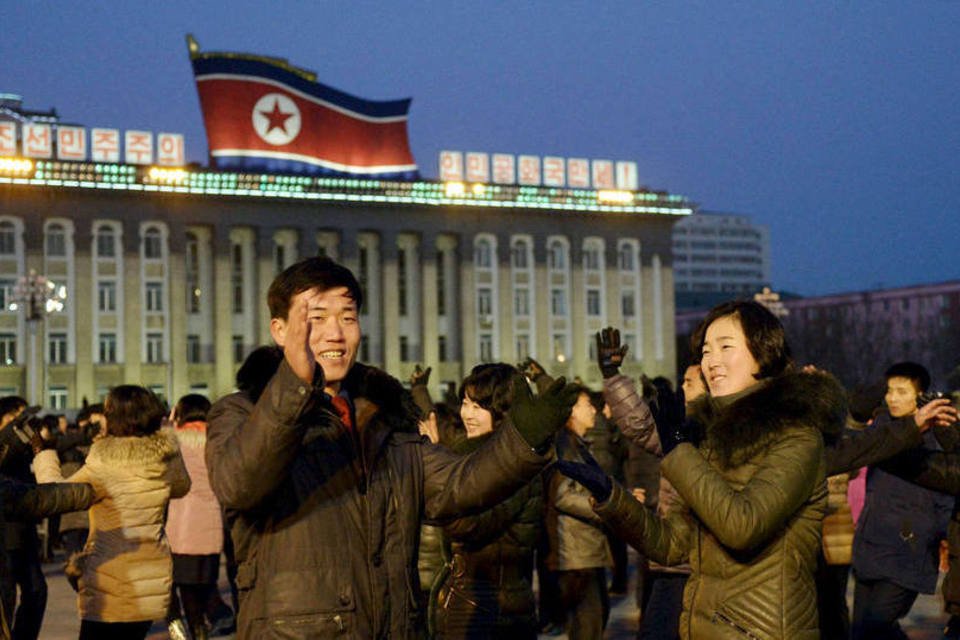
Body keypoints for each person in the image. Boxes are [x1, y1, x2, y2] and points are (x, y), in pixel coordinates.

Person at [205, 256, 576, 640]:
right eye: (316, 318)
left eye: (348, 317)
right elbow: (240, 485)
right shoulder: (241, 414)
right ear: (280, 330)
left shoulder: (384, 421)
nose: (336, 333)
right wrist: (293, 387)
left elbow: (458, 484)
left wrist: (523, 439)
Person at [558, 300, 848, 639]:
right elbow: (674, 545)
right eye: (706, 351)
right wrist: (613, 499)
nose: (712, 361)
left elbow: (743, 526)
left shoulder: (797, 436)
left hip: (761, 631)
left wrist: (680, 450)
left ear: (764, 352)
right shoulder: (710, 435)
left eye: (726, 347)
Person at [33, 385, 191, 640]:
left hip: (113, 580)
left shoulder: (105, 460)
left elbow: (58, 494)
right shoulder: (165, 455)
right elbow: (182, 487)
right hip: (151, 575)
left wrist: (43, 453)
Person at [432, 363, 542, 639]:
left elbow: (469, 525)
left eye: (478, 408)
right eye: (465, 403)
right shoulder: (478, 459)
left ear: (503, 413)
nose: (467, 414)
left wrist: (433, 490)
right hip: (474, 600)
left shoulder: (515, 466)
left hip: (492, 608)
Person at [851, 362, 956, 640]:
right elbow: (856, 414)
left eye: (901, 391)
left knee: (874, 628)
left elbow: (947, 491)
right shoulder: (882, 430)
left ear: (920, 396)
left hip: (909, 547)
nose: (892, 398)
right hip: (871, 542)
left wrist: (945, 536)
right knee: (863, 632)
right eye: (889, 391)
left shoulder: (936, 433)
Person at [545, 384, 612, 639]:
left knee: (594, 621)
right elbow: (562, 495)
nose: (593, 410)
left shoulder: (579, 444)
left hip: (586, 550)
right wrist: (601, 506)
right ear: (572, 410)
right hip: (575, 554)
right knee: (587, 625)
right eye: (587, 404)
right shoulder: (566, 445)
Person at [165, 394, 233, 640]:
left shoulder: (174, 442)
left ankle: (180, 632)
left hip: (179, 528)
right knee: (200, 592)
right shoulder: (218, 441)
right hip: (210, 528)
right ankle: (200, 630)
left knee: (177, 587)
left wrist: (170, 424)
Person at [0, 397, 47, 640]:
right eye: (14, 418)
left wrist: (39, 447)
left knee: (37, 591)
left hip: (24, 531)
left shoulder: (21, 450)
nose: (20, 429)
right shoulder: (4, 448)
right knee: (5, 597)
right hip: (4, 535)